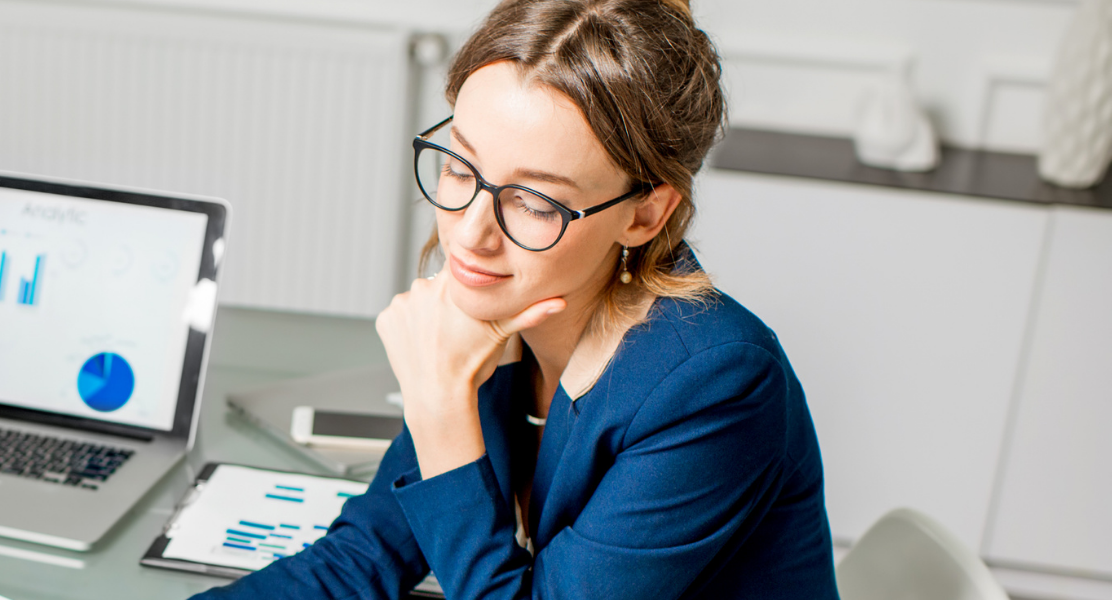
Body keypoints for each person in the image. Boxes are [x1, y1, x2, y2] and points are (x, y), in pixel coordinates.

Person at [193, 0, 836, 598]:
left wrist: (441, 407)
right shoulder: (498, 312)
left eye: (533, 201)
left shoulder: (714, 384)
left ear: (644, 214)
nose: (470, 235)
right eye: (459, 167)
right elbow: (361, 558)